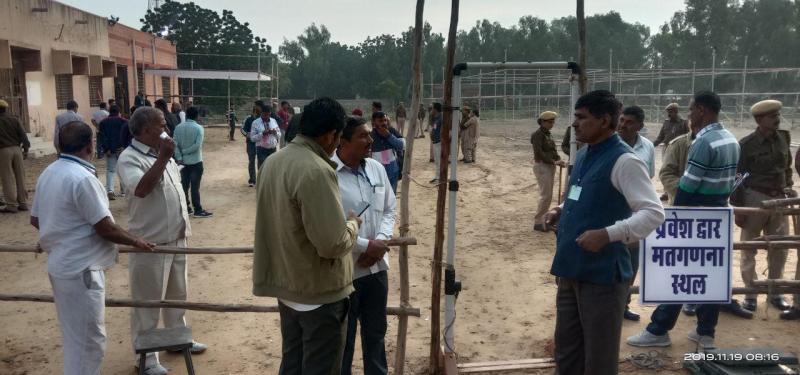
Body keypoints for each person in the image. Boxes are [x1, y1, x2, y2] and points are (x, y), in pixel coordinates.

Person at [545, 90, 664, 374]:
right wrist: (561, 208)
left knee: (598, 359)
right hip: (571, 268)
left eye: (581, 118)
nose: (575, 124)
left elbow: (653, 213)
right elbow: (580, 189)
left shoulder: (625, 161)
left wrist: (608, 234)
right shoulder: (586, 153)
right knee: (567, 351)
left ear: (604, 121)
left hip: (602, 278)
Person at [31, 121, 153, 375]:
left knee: (76, 338)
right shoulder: (82, 178)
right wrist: (135, 240)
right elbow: (105, 228)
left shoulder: (49, 172)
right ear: (90, 145)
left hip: (62, 266)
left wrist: (58, 232)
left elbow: (36, 219)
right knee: (89, 343)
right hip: (81, 270)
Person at [252, 97, 362, 375]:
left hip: (288, 287)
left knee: (292, 363)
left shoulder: (272, 163)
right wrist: (352, 224)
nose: (336, 146)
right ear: (330, 135)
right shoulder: (316, 170)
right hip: (318, 293)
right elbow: (332, 244)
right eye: (337, 138)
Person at [627, 91, 741, 350]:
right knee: (708, 276)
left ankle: (658, 329)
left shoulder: (703, 142)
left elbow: (688, 186)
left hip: (695, 216)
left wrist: (675, 218)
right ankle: (705, 332)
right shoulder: (731, 140)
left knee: (679, 275)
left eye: (691, 110)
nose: (689, 114)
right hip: (718, 216)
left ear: (701, 110)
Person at [117, 107, 207, 375]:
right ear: (145, 131)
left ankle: (178, 340)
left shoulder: (162, 153)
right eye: (160, 125)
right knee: (147, 301)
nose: (166, 129)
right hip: (149, 243)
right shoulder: (129, 158)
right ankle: (146, 358)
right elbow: (142, 189)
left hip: (177, 237)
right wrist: (164, 158)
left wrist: (165, 157)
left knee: (177, 295)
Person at [335, 117, 396, 375]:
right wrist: (364, 247)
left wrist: (379, 243)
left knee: (376, 336)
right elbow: (331, 226)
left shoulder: (375, 168)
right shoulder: (327, 174)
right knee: (344, 341)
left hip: (377, 270)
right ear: (343, 141)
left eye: (370, 135)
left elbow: (389, 210)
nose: (370, 141)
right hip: (345, 273)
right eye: (363, 136)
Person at [731, 99, 793, 313]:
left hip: (780, 200)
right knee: (749, 248)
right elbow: (738, 177)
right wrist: (738, 207)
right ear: (759, 120)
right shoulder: (747, 144)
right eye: (772, 116)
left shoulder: (784, 137)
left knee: (780, 248)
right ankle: (750, 294)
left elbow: (786, 167)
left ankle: (775, 292)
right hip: (755, 199)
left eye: (778, 115)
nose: (777, 119)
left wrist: (789, 186)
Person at [617, 105, 656, 322]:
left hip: (636, 212)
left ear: (640, 126)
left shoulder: (647, 147)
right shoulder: (609, 146)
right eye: (621, 120)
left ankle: (624, 304)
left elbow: (648, 177)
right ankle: (611, 304)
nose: (623, 125)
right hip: (613, 210)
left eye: (629, 122)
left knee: (632, 261)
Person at [173, 106, 213, 218]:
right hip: (195, 161)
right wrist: (185, 152)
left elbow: (174, 144)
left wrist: (179, 156)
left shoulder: (178, 127)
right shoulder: (199, 128)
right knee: (195, 187)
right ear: (197, 116)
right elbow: (197, 146)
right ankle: (198, 210)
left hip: (182, 162)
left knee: (184, 186)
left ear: (186, 115)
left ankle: (186, 208)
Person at [531, 111, 566, 232]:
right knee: (545, 195)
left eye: (553, 122)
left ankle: (544, 220)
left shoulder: (547, 134)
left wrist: (558, 159)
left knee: (548, 195)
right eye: (550, 122)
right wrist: (553, 161)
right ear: (542, 122)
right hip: (542, 165)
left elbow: (552, 150)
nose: (552, 124)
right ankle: (538, 222)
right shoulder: (537, 135)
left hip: (549, 165)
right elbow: (539, 152)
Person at [0, 99, 30, 213]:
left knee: (7, 177)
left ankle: (11, 205)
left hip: (3, 151)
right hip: (17, 149)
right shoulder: (15, 119)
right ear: (6, 109)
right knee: (20, 176)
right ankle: (23, 203)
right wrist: (26, 149)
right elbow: (23, 135)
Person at [98, 105, 128, 200]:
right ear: (119, 112)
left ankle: (110, 190)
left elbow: (102, 137)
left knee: (111, 170)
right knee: (123, 169)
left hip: (110, 150)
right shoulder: (124, 122)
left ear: (109, 111)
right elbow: (127, 136)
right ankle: (123, 191)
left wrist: (106, 149)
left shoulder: (103, 122)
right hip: (122, 149)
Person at [370, 111, 404, 192]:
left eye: (385, 120)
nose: (384, 123)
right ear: (374, 122)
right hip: (378, 173)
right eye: (381, 121)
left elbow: (401, 145)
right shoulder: (370, 135)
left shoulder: (392, 131)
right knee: (380, 197)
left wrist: (389, 136)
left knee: (392, 197)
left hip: (393, 170)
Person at [250, 103, 281, 170]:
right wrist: (262, 134)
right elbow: (252, 138)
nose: (266, 117)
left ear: (270, 114)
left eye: (268, 115)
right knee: (262, 169)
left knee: (272, 169)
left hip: (272, 149)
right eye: (264, 115)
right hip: (262, 150)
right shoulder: (255, 123)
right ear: (261, 113)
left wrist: (275, 133)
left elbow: (279, 134)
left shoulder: (273, 121)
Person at [241, 102, 262, 187]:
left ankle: (260, 179)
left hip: (260, 143)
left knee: (260, 161)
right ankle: (252, 180)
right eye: (256, 111)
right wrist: (247, 134)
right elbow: (242, 129)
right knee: (252, 161)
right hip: (250, 143)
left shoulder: (262, 119)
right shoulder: (248, 118)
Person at [429, 103, 443, 183]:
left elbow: (442, 130)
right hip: (435, 141)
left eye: (433, 108)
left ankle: (439, 177)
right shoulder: (436, 118)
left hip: (439, 142)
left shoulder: (441, 118)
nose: (431, 110)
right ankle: (437, 176)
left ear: (435, 109)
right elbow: (434, 127)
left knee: (439, 160)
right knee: (437, 161)